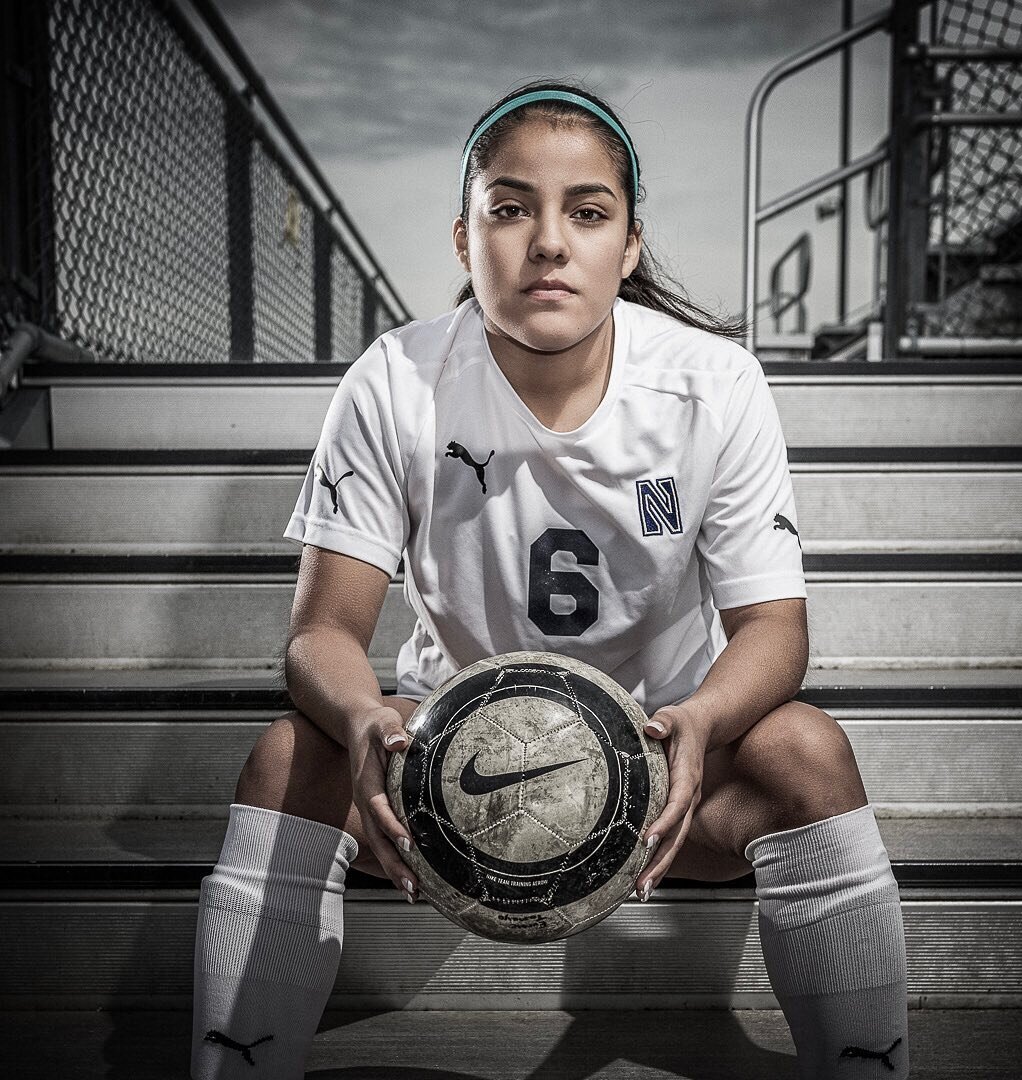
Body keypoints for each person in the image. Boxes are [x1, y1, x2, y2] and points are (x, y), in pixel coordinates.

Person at [191, 80, 908, 1080]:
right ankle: (235, 1065)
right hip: (452, 770)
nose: (548, 242)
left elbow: (774, 630)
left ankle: (869, 1066)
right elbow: (323, 634)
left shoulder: (713, 385)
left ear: (630, 245)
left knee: (809, 749)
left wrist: (698, 724)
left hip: (660, 770)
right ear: (463, 237)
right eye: (511, 206)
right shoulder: (396, 380)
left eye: (587, 211)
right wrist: (363, 723)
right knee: (284, 756)